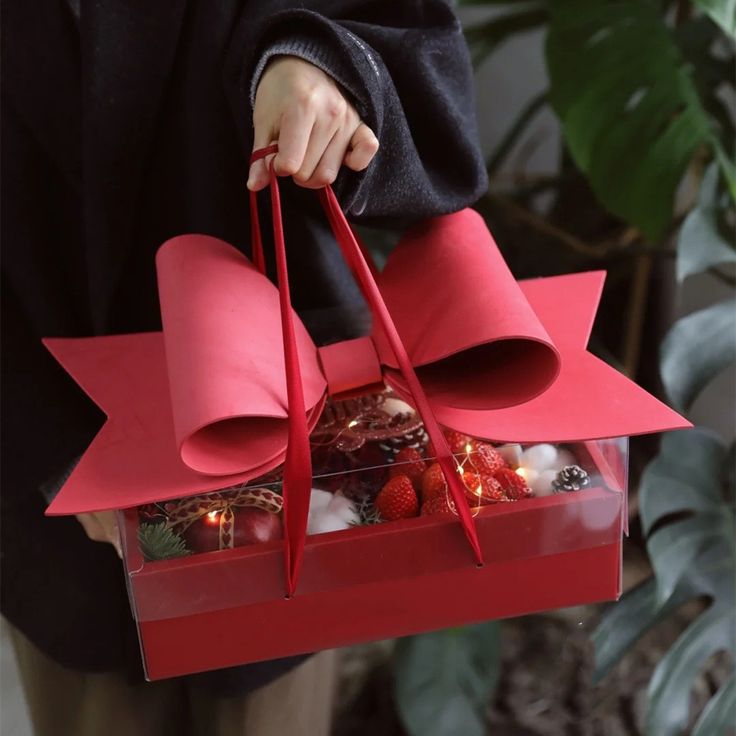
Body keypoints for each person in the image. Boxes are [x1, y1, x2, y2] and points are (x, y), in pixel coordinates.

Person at [1, 1, 487, 734]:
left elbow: (414, 48)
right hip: (41, 438)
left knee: (266, 704)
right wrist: (40, 443)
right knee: (91, 694)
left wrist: (313, 63)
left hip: (286, 435)